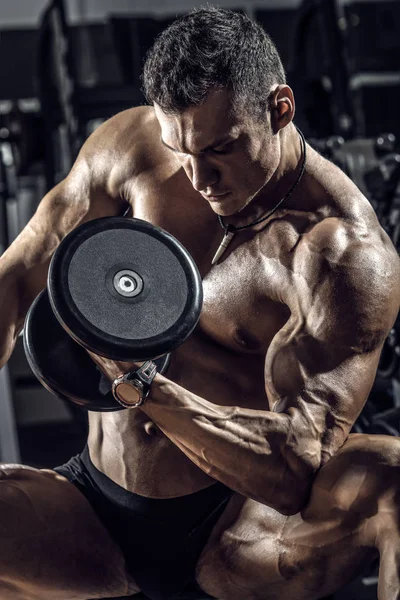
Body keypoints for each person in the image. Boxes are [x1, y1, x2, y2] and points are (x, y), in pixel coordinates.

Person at [0, 6, 399, 600]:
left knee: (392, 482)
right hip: (96, 510)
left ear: (280, 109)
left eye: (222, 149)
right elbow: (14, 280)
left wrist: (141, 386)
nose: (198, 177)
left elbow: (293, 466)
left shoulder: (338, 252)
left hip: (239, 535)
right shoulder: (133, 150)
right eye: (180, 149)